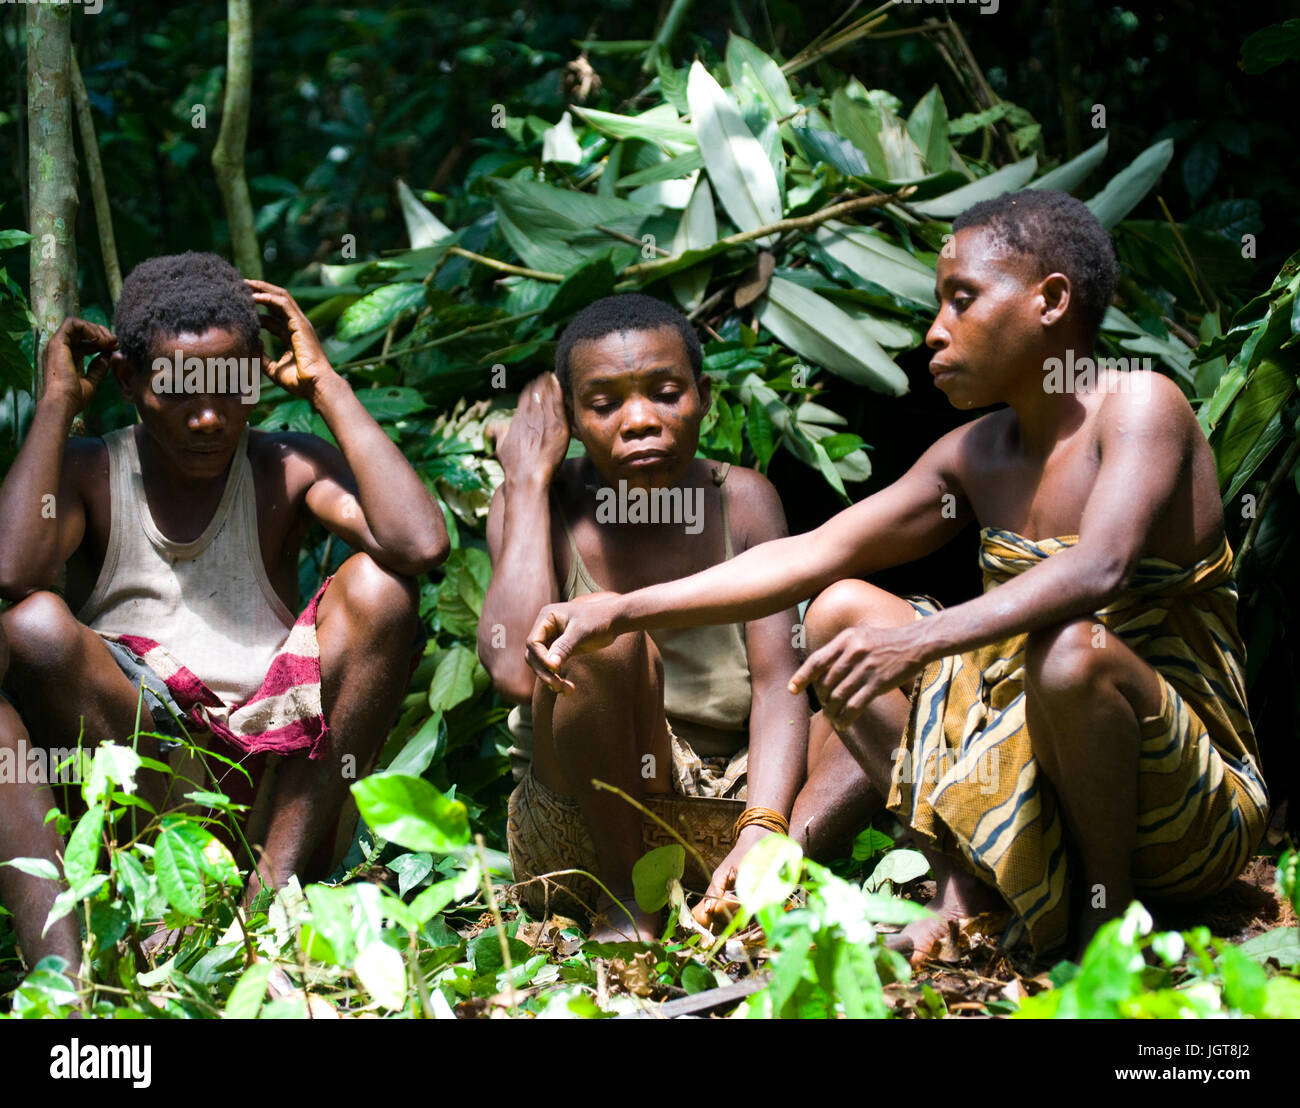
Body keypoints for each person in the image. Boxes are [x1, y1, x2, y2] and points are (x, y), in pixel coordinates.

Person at [523, 192, 1269, 958]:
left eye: (962, 300)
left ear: (1049, 301)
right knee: (842, 609)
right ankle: (964, 892)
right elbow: (810, 555)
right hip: (1043, 800)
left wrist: (921, 642)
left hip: (1184, 809)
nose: (935, 331)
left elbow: (1099, 569)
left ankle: (1102, 924)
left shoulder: (1141, 404)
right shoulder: (976, 453)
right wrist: (620, 611)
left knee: (1069, 651)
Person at [0, 252, 448, 940]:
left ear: (258, 378)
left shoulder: (285, 466)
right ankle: (94, 953)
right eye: (178, 390)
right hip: (141, 799)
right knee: (31, 627)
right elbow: (10, 571)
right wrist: (57, 404)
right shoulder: (92, 473)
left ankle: (268, 914)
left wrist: (325, 384)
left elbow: (419, 546)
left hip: (278, 801)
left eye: (228, 385)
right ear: (126, 380)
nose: (208, 417)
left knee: (383, 589)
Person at [479, 294, 812, 940]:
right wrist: (524, 484)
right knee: (602, 638)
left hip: (726, 809)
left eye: (665, 393)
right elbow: (515, 675)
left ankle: (769, 868)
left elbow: (779, 683)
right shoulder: (535, 505)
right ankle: (633, 906)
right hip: (579, 833)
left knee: (859, 651)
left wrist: (764, 820)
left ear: (704, 396)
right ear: (570, 419)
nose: (640, 421)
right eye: (604, 405)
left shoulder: (742, 502)